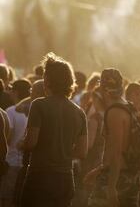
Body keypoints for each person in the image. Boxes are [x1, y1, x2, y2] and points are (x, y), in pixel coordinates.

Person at [21, 53, 88, 207]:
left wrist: (20, 144)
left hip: (40, 176)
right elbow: (82, 152)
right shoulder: (79, 112)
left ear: (48, 80)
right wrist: (62, 152)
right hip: (65, 178)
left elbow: (31, 143)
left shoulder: (39, 105)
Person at [87, 68, 140, 207]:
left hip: (116, 179)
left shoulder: (115, 112)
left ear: (102, 87)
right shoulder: (130, 107)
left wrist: (111, 189)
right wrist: (100, 169)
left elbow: (116, 152)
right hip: (131, 178)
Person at [0, 79, 31, 207]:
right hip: (24, 163)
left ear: (16, 92)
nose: (10, 92)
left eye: (12, 89)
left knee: (5, 198)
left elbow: (8, 136)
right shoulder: (31, 110)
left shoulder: (12, 111)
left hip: (11, 160)